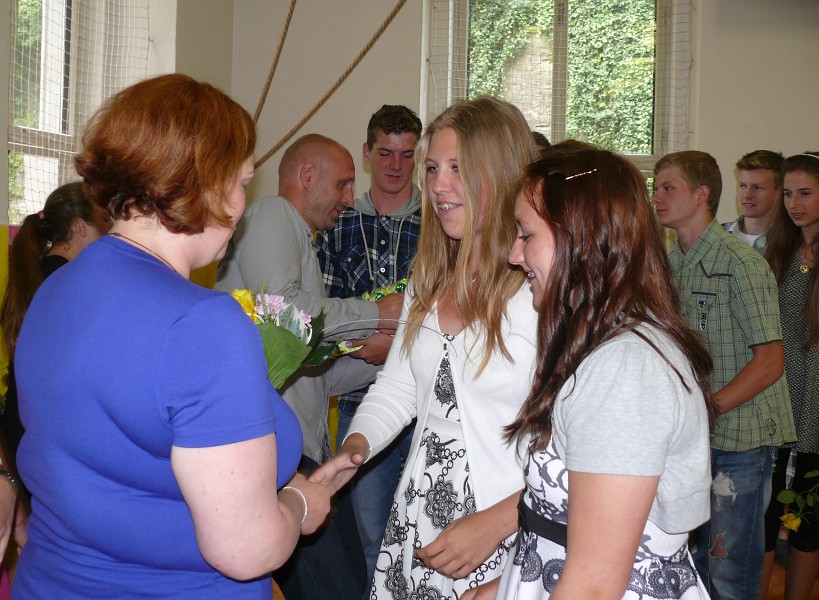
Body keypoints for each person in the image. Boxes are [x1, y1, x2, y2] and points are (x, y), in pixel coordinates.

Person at [12, 73, 330, 599]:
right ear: (204, 184)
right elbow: (245, 550)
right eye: (242, 183)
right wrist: (299, 506)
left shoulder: (57, 289)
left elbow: (121, 466)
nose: (239, 208)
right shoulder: (203, 324)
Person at [312, 96, 539, 600]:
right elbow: (400, 386)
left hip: (504, 524)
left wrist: (501, 525)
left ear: (500, 172)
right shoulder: (430, 276)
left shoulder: (537, 289)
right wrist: (355, 449)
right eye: (433, 167)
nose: (437, 185)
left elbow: (570, 450)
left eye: (458, 168)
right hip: (419, 511)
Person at [495, 148, 715, 599]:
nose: (515, 254)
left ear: (580, 239)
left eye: (526, 234)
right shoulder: (601, 347)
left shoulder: (624, 372)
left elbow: (594, 585)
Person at [216, 133, 403, 599]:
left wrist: (387, 358)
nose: (347, 199)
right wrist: (382, 313)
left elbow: (313, 375)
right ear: (306, 176)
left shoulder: (303, 245)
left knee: (344, 584)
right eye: (342, 184)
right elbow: (288, 310)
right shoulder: (272, 213)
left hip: (295, 453)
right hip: (271, 452)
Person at [652, 150, 796, 600]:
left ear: (702, 194)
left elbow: (771, 361)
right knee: (693, 564)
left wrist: (708, 407)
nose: (656, 197)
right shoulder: (670, 264)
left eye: (667, 187)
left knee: (729, 571)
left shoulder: (742, 264)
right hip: (692, 437)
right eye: (655, 187)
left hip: (739, 438)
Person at [315, 104, 423, 588]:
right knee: (368, 535)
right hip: (360, 402)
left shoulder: (440, 223)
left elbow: (443, 308)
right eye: (385, 153)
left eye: (406, 154)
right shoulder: (337, 222)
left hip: (428, 404)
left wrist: (392, 346)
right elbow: (324, 310)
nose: (395, 165)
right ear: (366, 153)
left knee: (425, 534)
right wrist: (366, 346)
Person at [1, 182, 110, 468]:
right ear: (79, 227)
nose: (111, 231)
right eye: (105, 221)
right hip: (37, 437)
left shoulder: (40, 270)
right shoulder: (70, 282)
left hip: (21, 428)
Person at [761, 152, 819, 600]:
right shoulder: (779, 248)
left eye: (806, 193)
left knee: (809, 512)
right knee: (768, 509)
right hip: (781, 399)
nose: (794, 203)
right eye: (788, 194)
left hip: (815, 403)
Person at [723, 149, 784, 254]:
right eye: (742, 186)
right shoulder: (717, 236)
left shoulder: (791, 243)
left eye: (758, 187)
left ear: (779, 191)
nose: (747, 195)